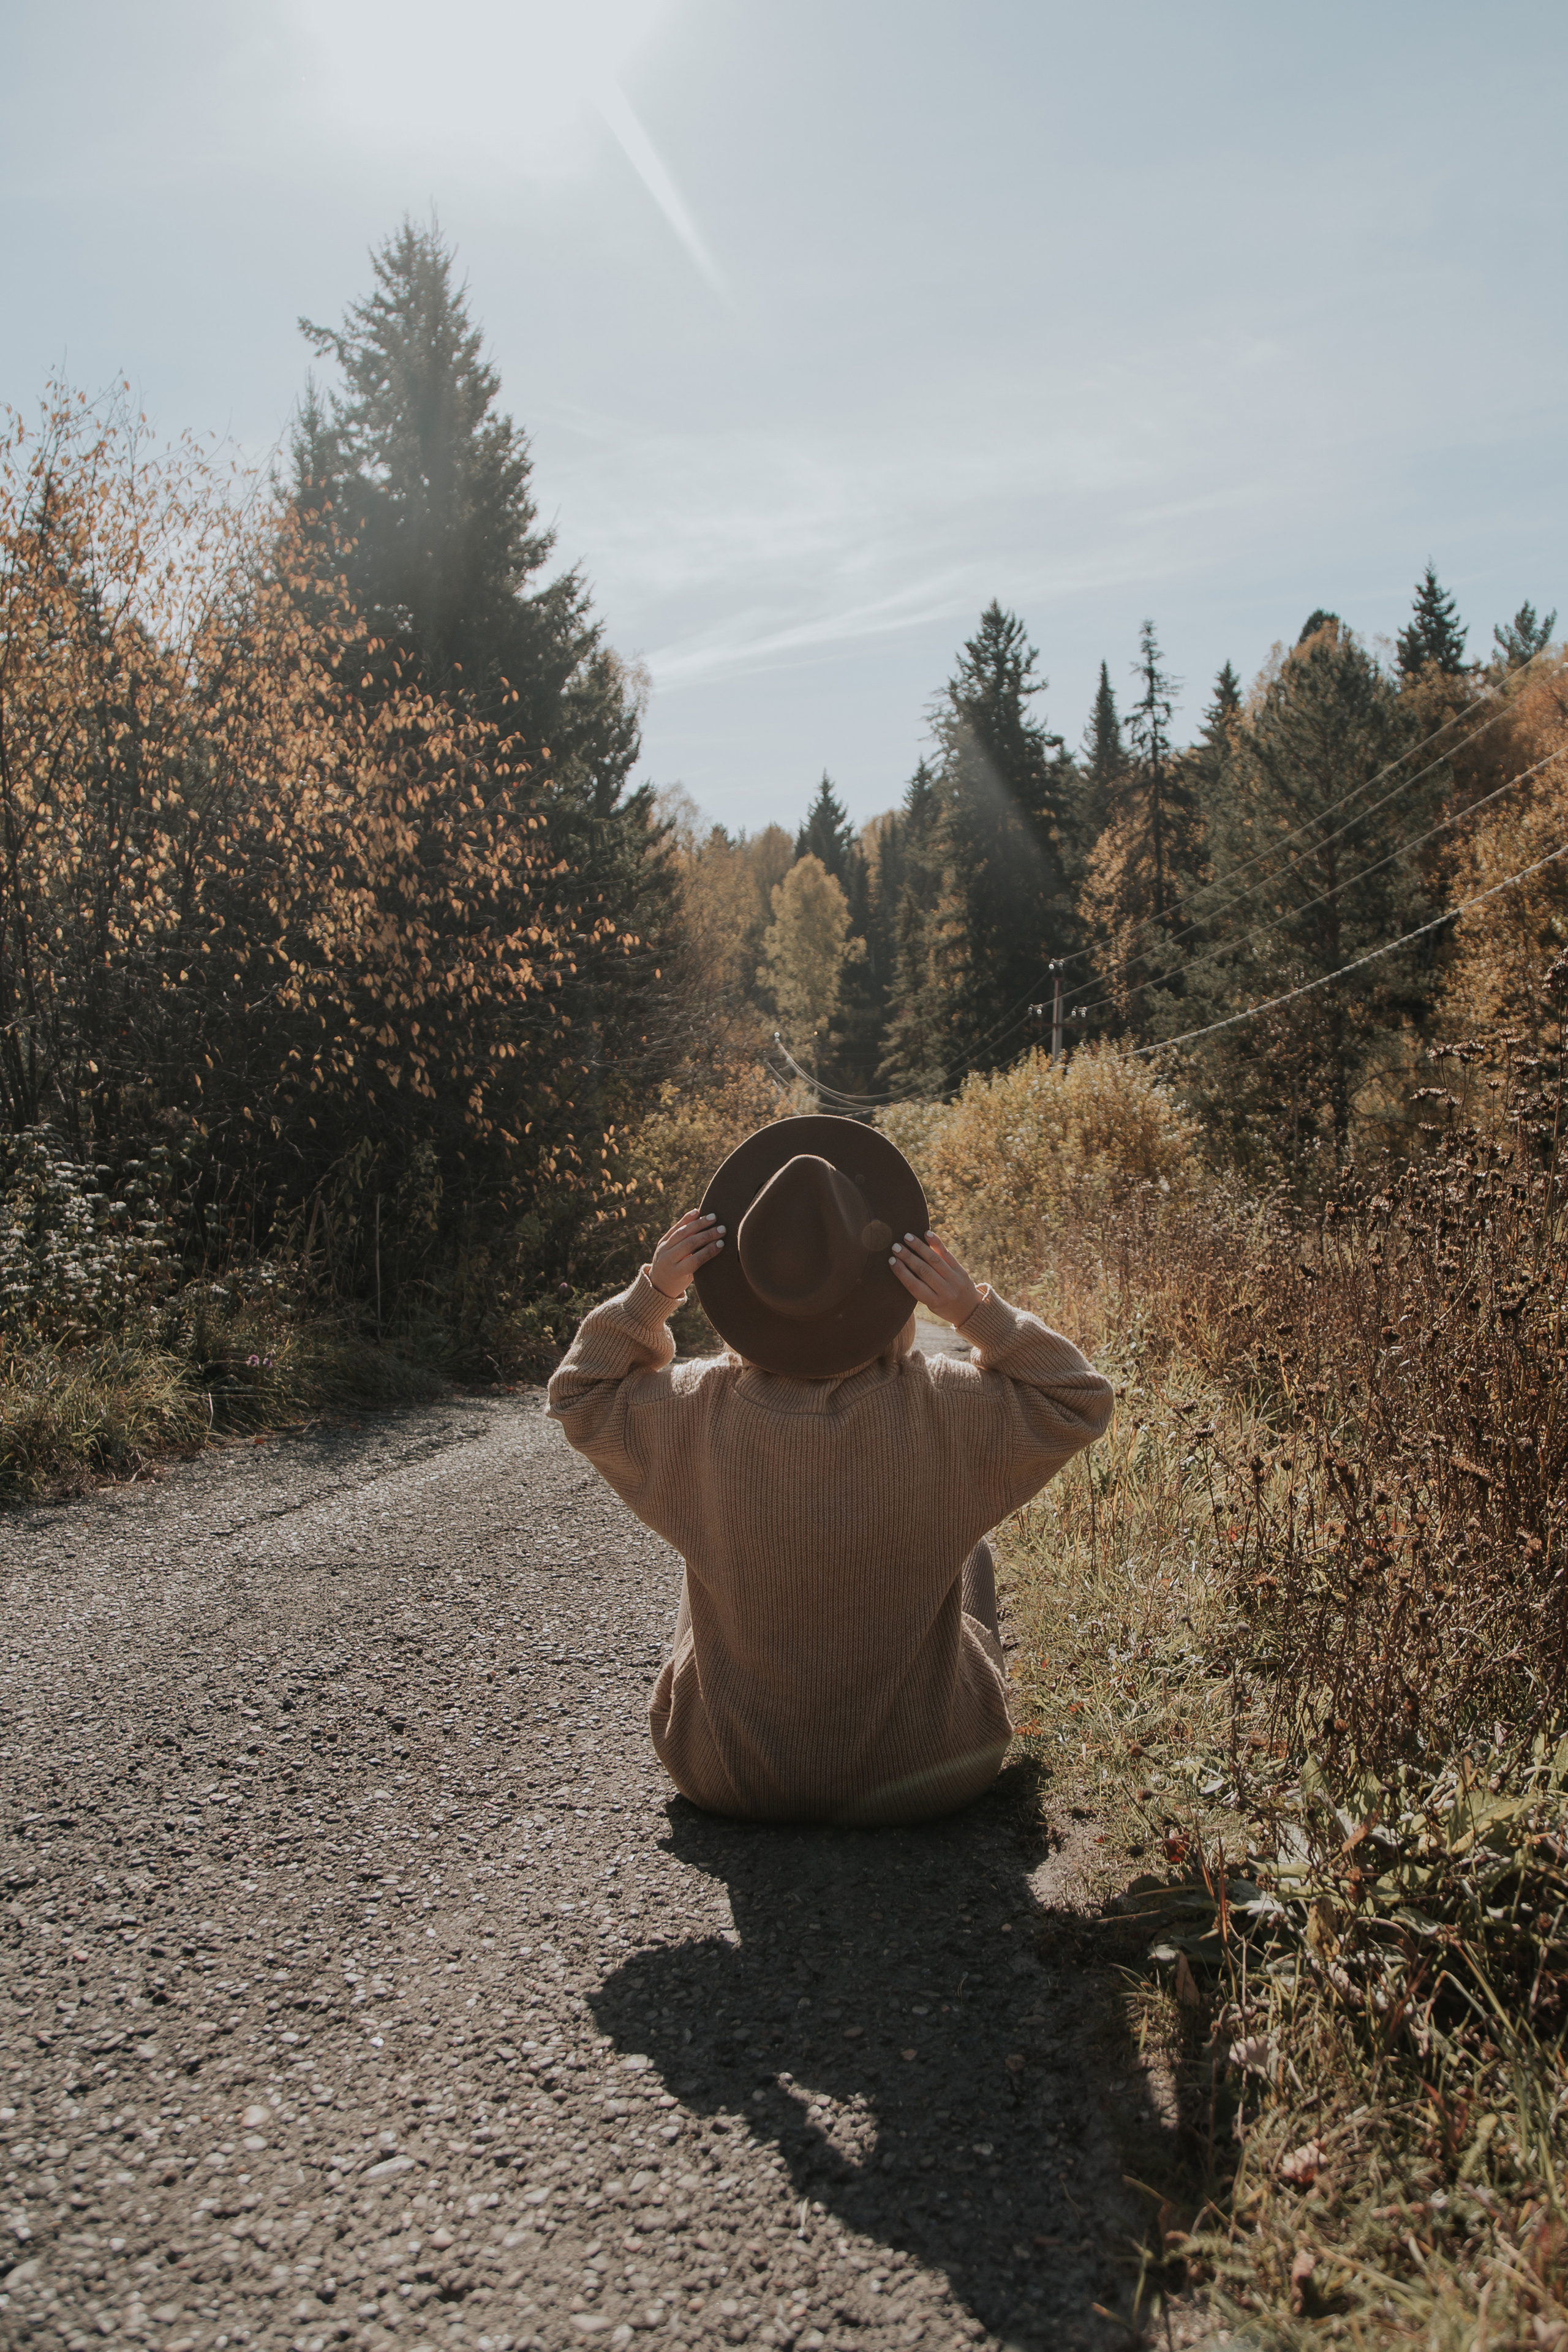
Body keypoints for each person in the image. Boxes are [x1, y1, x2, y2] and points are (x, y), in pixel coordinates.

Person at [547, 1116, 1114, 1825]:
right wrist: (972, 1311)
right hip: (930, 1772)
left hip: (726, 1773)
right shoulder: (948, 1407)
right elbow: (1079, 1398)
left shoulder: (691, 1412)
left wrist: (653, 1292)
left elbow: (579, 1392)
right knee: (973, 1554)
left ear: (742, 1289)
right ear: (894, 1288)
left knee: (702, 1551)